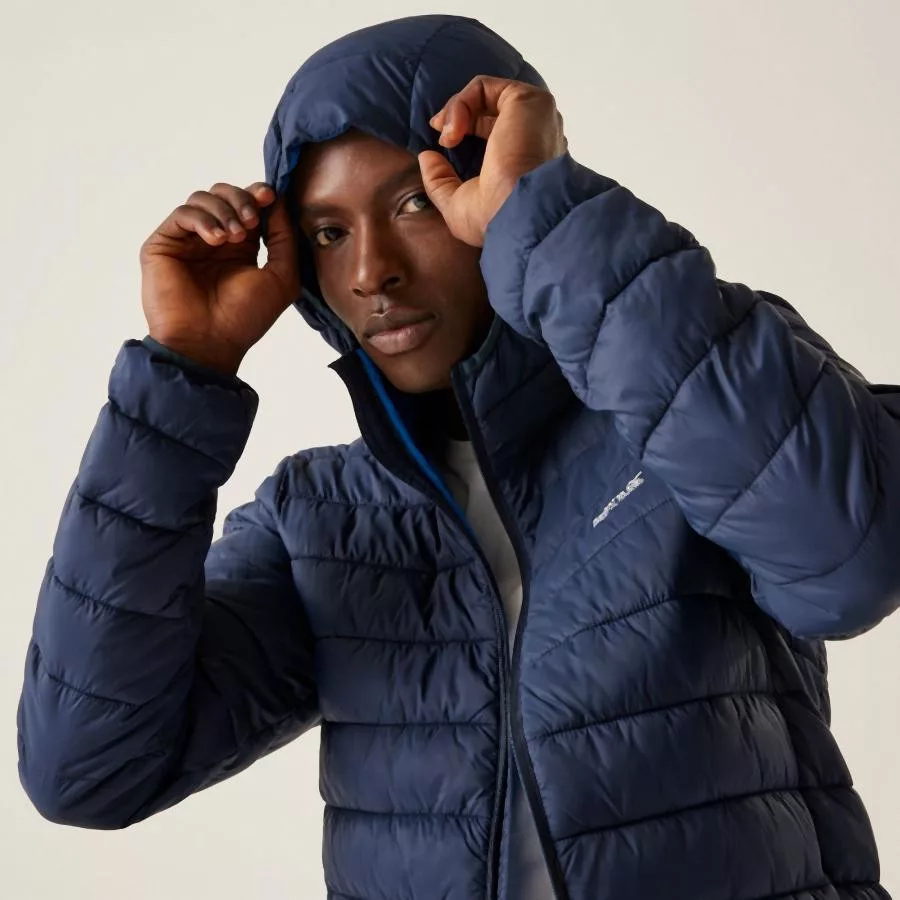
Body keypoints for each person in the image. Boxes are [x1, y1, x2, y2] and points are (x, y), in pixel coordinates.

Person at [16, 12, 900, 900]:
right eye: (328, 234)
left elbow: (850, 562)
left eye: (415, 203)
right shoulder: (318, 518)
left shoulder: (692, 394)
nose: (372, 271)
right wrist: (182, 373)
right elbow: (88, 771)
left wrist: (544, 214)